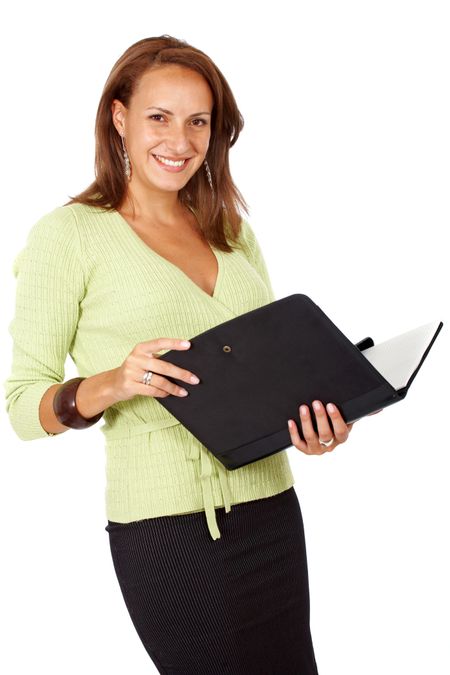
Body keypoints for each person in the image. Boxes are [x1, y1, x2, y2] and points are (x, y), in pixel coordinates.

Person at [4, 34, 360, 674]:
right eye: (158, 118)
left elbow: (268, 369)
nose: (180, 140)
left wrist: (310, 424)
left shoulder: (230, 231)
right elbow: (24, 406)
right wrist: (113, 381)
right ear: (120, 119)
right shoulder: (69, 236)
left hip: (272, 510)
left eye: (199, 121)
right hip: (168, 529)